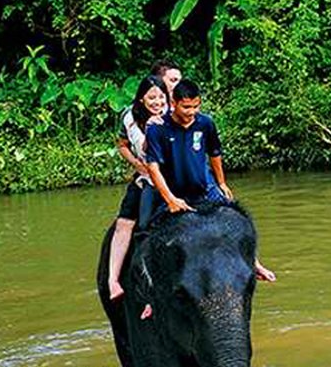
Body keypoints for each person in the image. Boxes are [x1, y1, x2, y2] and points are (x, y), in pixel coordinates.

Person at [142, 79, 277, 283]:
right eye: (186, 107)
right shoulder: (158, 129)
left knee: (236, 220)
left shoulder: (205, 123)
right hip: (173, 193)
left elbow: (214, 154)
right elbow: (153, 167)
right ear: (174, 103)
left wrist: (221, 183)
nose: (191, 112)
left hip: (204, 189)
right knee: (147, 232)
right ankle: (150, 288)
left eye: (196, 106)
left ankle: (254, 263)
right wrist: (169, 199)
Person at [105, 75, 169, 300]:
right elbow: (122, 144)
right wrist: (136, 165)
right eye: (152, 97)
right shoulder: (130, 118)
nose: (157, 102)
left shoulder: (173, 114)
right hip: (146, 178)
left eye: (161, 97)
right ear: (141, 99)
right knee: (125, 224)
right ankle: (113, 279)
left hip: (171, 177)